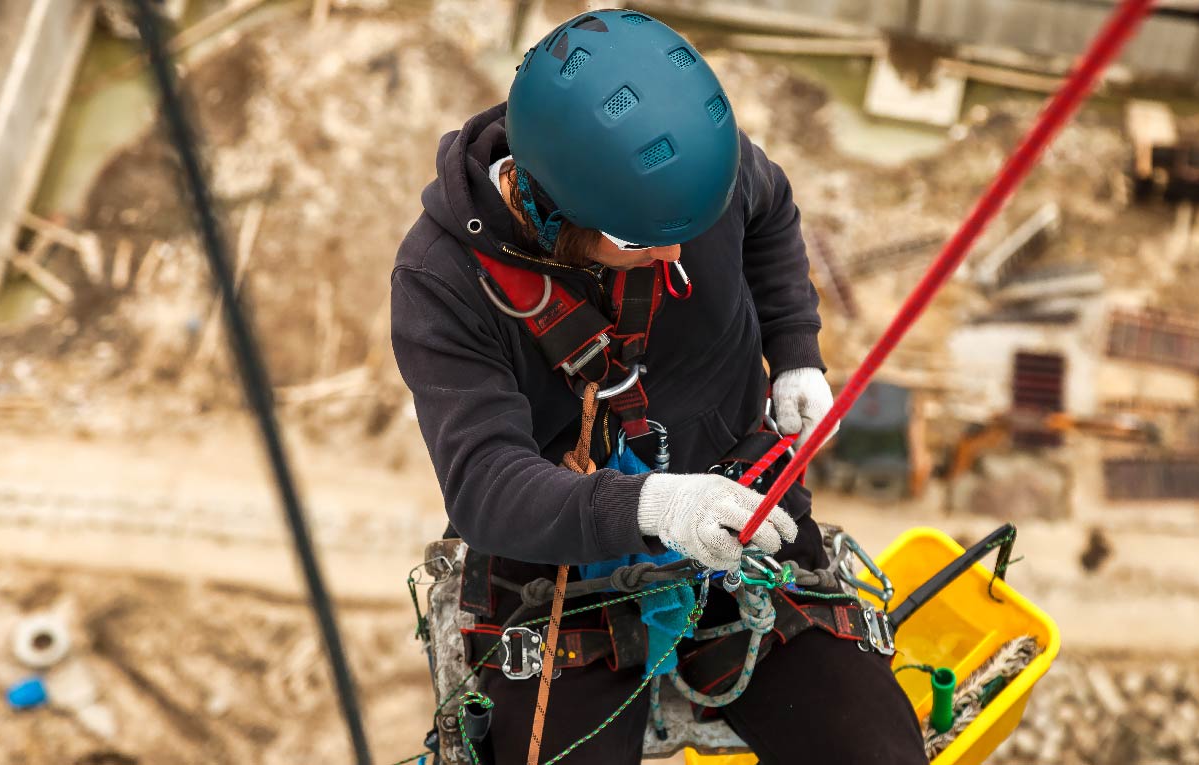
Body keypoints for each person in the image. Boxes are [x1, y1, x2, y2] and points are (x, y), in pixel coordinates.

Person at [392, 9, 927, 764]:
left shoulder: (685, 172)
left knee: (876, 751)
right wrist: (653, 507)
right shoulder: (442, 282)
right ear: (551, 210)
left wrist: (796, 352)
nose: (677, 249)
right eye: (642, 242)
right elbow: (483, 485)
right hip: (565, 568)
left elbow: (770, 213)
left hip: (744, 516)